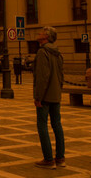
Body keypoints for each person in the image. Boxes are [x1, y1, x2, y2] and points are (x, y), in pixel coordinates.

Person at [33, 26, 65, 169]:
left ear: (45, 37)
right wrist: (58, 91)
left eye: (40, 32)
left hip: (45, 96)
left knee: (42, 125)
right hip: (56, 94)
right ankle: (60, 158)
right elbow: (61, 75)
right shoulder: (58, 53)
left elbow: (42, 77)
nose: (38, 34)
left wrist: (38, 97)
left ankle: (48, 159)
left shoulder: (42, 52)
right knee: (57, 125)